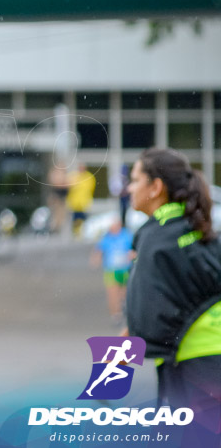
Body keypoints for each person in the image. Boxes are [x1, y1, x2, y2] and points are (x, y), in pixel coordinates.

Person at [125, 148, 221, 437]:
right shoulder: (198, 227)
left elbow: (147, 316)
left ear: (155, 188)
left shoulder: (155, 238)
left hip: (195, 365)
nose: (129, 188)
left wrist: (105, 377)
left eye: (134, 180)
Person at [90, 216, 134, 323]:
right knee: (112, 292)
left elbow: (134, 249)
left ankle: (123, 306)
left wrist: (132, 255)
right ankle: (116, 314)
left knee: (123, 292)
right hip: (111, 269)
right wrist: (96, 259)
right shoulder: (107, 238)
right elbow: (99, 250)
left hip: (125, 269)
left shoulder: (126, 235)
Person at [67, 162, 96, 234]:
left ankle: (84, 234)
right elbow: (68, 186)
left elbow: (90, 188)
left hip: (84, 202)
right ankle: (76, 233)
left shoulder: (89, 177)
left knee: (84, 219)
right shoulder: (73, 176)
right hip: (74, 203)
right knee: (75, 219)